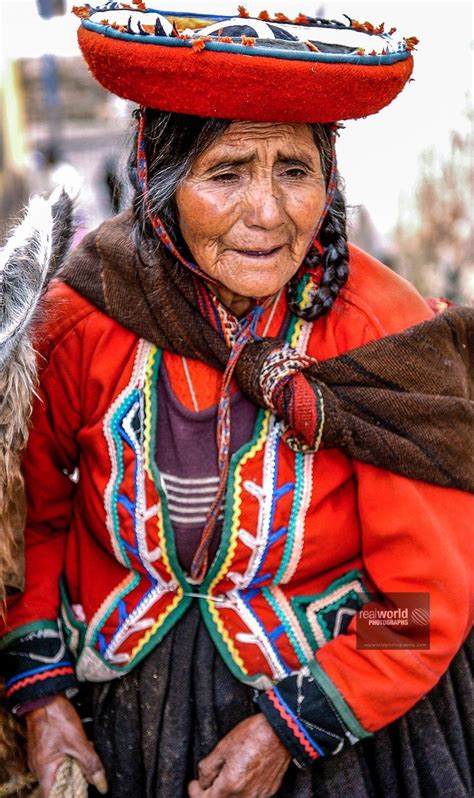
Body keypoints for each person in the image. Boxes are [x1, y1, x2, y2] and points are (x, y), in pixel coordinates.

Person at [0, 4, 472, 797]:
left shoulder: (384, 339)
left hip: (343, 737)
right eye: (226, 172)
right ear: (160, 183)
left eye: (296, 168)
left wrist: (305, 717)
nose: (269, 212)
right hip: (120, 721)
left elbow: (424, 609)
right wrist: (41, 699)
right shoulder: (84, 320)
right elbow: (33, 528)